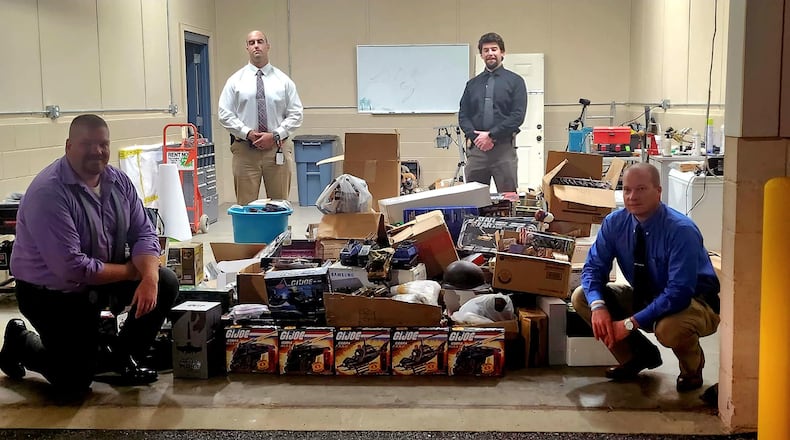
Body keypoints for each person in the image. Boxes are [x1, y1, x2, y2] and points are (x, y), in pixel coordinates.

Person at [0, 114, 179, 396]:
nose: (97, 151)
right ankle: (20, 341)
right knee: (73, 382)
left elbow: (144, 233)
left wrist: (149, 276)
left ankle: (122, 356)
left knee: (165, 281)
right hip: (51, 295)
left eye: (103, 144)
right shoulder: (49, 192)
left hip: (99, 281)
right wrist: (135, 272)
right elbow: (72, 268)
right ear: (69, 145)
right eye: (87, 144)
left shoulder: (118, 182)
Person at [572, 163, 720, 392]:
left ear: (658, 191)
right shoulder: (615, 224)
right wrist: (598, 306)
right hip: (647, 295)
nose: (632, 197)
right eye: (627, 189)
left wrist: (631, 323)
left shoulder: (681, 230)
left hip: (694, 302)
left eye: (641, 189)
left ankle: (692, 370)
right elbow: (592, 269)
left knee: (668, 328)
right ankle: (638, 356)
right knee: (582, 297)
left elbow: (679, 292)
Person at [219, 30, 304, 205]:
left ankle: (278, 234)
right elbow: (224, 113)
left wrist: (275, 135)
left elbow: (296, 114)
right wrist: (248, 133)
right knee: (245, 206)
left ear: (267, 46)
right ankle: (248, 233)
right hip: (245, 150)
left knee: (279, 205)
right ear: (247, 48)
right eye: (251, 43)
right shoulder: (235, 81)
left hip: (277, 149)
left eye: (260, 41)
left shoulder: (283, 81)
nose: (256, 45)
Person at [458, 32, 527, 192]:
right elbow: (463, 116)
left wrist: (491, 135)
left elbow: (517, 116)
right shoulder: (472, 85)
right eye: (486, 50)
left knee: (508, 198)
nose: (490, 53)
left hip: (503, 150)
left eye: (494, 49)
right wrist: (477, 138)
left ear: (502, 53)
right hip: (477, 152)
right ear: (481, 55)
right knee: (474, 199)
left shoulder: (515, 82)